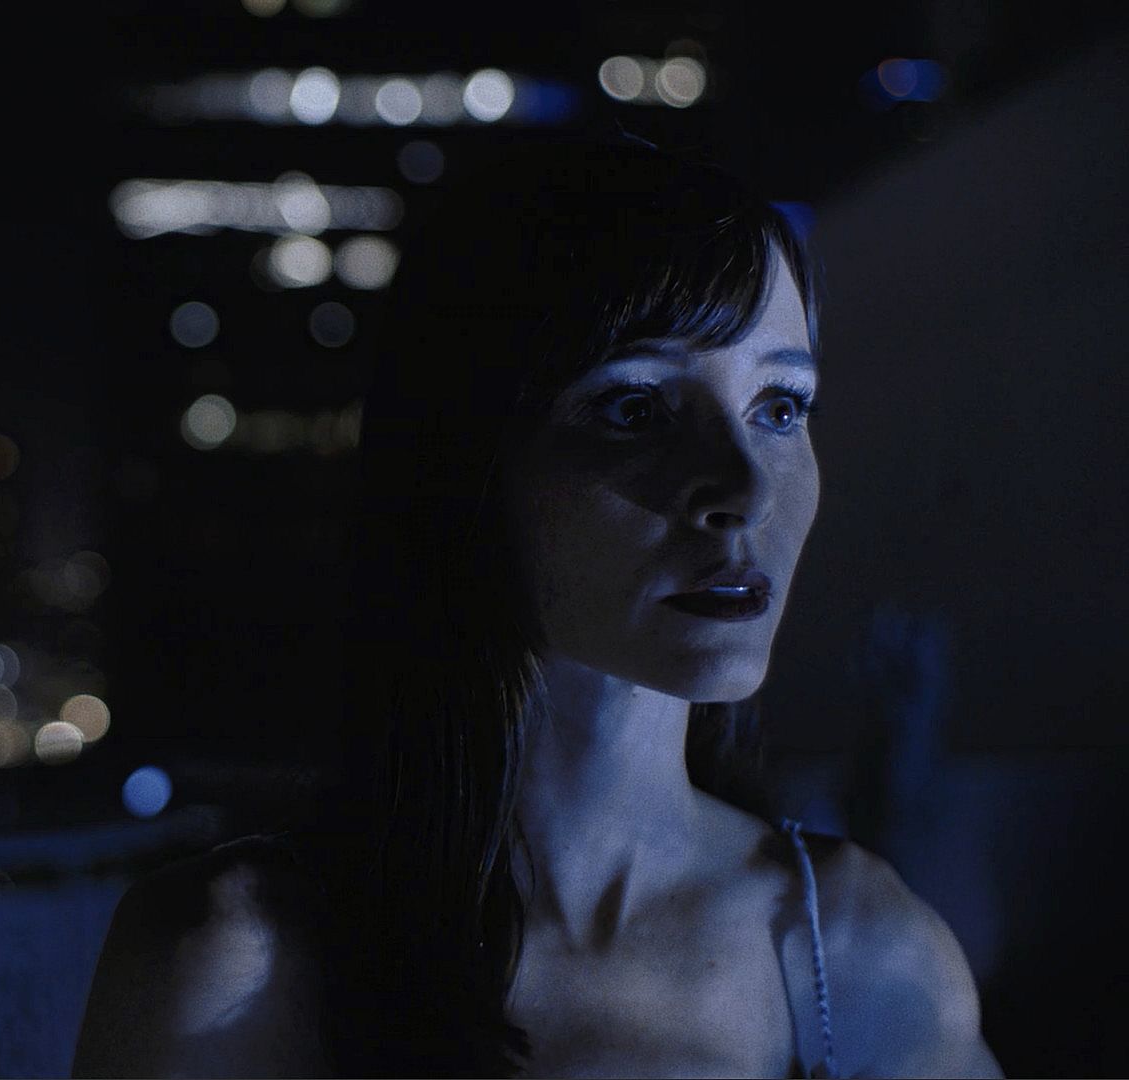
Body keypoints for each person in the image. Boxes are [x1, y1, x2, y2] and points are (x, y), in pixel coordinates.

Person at [70, 134, 1002, 1078]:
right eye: (635, 408)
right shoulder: (239, 961)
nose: (746, 488)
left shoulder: (859, 956)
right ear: (464, 462)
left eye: (781, 406)